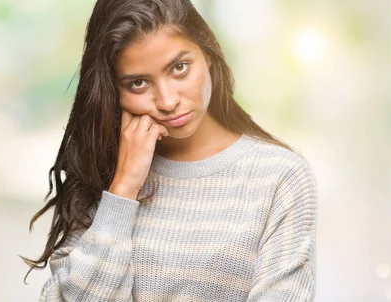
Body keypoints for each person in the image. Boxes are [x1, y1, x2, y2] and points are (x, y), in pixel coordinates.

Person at [20, 0, 318, 301]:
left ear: (209, 56)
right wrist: (122, 190)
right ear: (113, 90)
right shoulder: (99, 172)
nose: (166, 100)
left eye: (179, 68)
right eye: (138, 83)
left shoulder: (279, 177)